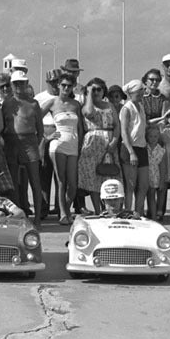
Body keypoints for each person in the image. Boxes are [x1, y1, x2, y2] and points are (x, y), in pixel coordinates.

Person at [2, 71, 45, 219]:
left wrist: (34, 144)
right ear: (12, 85)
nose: (19, 86)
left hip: (29, 143)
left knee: (35, 181)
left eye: (22, 83)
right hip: (11, 143)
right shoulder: (6, 103)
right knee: (13, 184)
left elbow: (40, 130)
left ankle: (38, 218)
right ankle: (18, 218)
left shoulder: (34, 103)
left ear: (27, 84)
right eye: (16, 83)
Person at [42, 72, 82, 224]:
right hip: (58, 144)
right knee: (61, 181)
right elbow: (35, 117)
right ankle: (64, 214)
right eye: (63, 85)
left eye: (69, 85)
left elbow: (79, 127)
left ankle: (65, 208)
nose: (66, 88)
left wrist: (80, 144)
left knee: (73, 184)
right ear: (58, 85)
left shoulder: (75, 104)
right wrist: (46, 137)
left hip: (73, 144)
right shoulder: (52, 102)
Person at [76, 77, 119, 215]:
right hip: (93, 143)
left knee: (109, 176)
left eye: (98, 89)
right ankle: (97, 210)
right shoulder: (85, 107)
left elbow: (117, 125)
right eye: (92, 89)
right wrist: (88, 94)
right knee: (94, 179)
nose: (96, 92)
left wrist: (115, 141)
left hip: (109, 142)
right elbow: (89, 114)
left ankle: (110, 209)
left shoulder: (110, 106)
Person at [119, 79, 149, 217]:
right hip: (129, 148)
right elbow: (124, 131)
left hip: (142, 147)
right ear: (132, 92)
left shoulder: (141, 106)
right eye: (139, 91)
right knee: (130, 184)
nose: (142, 93)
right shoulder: (126, 108)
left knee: (143, 184)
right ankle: (128, 211)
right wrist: (131, 152)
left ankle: (138, 212)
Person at [35, 69, 62, 220]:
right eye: (53, 82)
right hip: (45, 135)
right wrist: (45, 136)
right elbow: (35, 119)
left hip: (60, 135)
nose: (56, 85)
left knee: (60, 176)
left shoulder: (64, 97)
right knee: (44, 174)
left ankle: (59, 207)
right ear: (47, 82)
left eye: (58, 81)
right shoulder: (39, 98)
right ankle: (44, 207)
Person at [144, 123, 167, 219]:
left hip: (155, 176)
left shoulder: (161, 150)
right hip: (146, 174)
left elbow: (163, 167)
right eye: (150, 136)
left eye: (155, 136)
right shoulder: (144, 148)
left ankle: (156, 214)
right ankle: (150, 214)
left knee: (154, 195)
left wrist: (162, 181)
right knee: (148, 196)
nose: (153, 138)